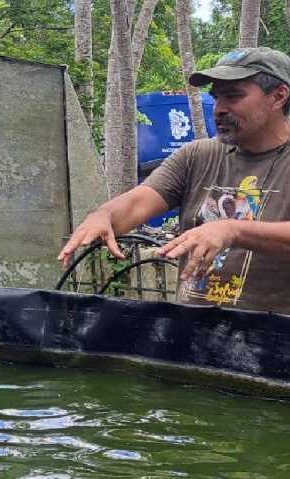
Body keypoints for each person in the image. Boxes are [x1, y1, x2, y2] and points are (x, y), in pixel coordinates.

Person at [58, 47, 290, 313]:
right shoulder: (198, 155)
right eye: (216, 98)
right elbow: (136, 204)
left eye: (233, 97)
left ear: (279, 96)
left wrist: (233, 230)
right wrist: (103, 216)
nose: (219, 109)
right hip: (192, 334)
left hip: (275, 340)